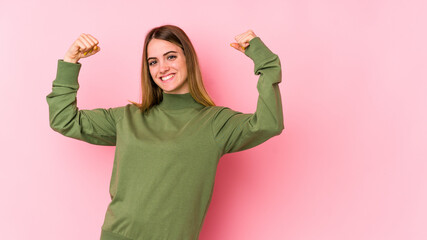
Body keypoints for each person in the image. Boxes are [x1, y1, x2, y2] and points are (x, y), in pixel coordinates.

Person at [46, 24, 284, 240]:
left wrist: (266, 62)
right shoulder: (128, 118)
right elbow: (64, 120)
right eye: (153, 62)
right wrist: (70, 61)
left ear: (188, 59)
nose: (163, 68)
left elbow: (268, 124)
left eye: (171, 56)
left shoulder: (215, 123)